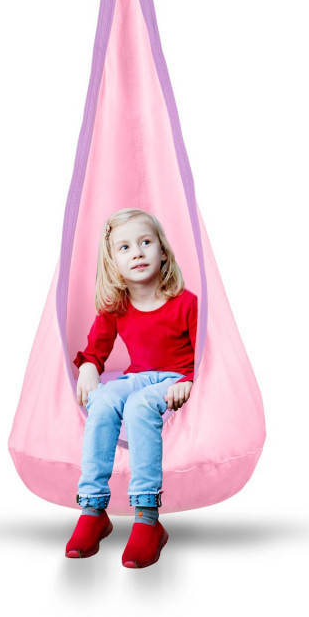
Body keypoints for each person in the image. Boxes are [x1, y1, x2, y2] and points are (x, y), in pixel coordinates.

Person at [64, 208, 197, 568]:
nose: (137, 252)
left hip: (172, 377)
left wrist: (187, 382)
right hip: (138, 376)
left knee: (139, 405)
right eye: (124, 247)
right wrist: (89, 368)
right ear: (114, 264)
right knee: (103, 399)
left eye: (145, 242)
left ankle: (147, 515)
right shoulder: (117, 305)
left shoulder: (187, 303)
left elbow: (206, 355)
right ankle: (92, 508)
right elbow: (95, 350)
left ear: (163, 252)